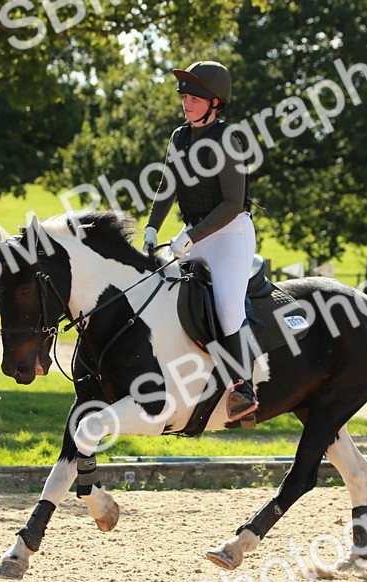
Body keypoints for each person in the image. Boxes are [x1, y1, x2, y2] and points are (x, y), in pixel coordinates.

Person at [144, 60, 259, 422]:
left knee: (227, 308)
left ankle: (244, 389)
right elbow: (168, 187)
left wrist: (190, 236)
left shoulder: (229, 139)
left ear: (215, 102)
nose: (186, 101)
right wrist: (151, 227)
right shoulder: (180, 137)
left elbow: (232, 203)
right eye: (184, 95)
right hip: (192, 234)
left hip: (229, 234)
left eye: (194, 96)